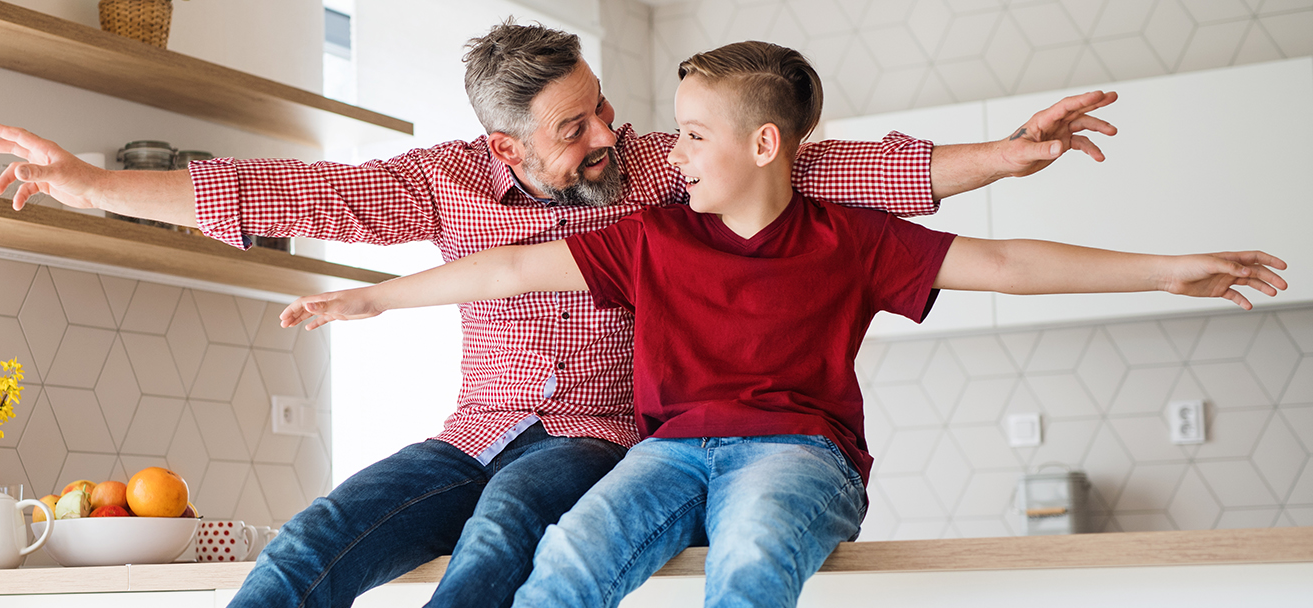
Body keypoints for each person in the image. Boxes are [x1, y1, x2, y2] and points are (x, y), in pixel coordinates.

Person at [0, 22, 1120, 608]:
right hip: (474, 426)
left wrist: (1005, 156)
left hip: (603, 438)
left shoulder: (662, 168)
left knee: (498, 540)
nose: (609, 135)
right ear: (505, 144)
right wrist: (89, 183)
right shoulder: (440, 183)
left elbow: (839, 171)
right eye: (574, 126)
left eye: (603, 109)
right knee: (311, 540)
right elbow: (282, 194)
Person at [277, 41, 1287, 608]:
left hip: (793, 452)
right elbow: (502, 271)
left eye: (694, 139)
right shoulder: (654, 237)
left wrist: (1169, 267)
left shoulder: (849, 238)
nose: (666, 157)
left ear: (763, 144)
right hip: (669, 452)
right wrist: (370, 299)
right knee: (567, 558)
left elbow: (1012, 263)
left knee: (752, 560)